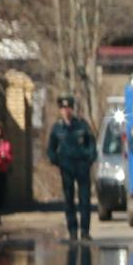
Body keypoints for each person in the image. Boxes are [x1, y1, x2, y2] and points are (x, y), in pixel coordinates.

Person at [47, 96, 98, 240]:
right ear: (60, 110)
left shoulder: (82, 125)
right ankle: (73, 230)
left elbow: (91, 144)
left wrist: (89, 158)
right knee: (69, 200)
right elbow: (51, 149)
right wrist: (57, 161)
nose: (66, 111)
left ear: (72, 109)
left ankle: (85, 231)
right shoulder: (57, 128)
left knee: (84, 200)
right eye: (63, 109)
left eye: (68, 108)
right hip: (66, 168)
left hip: (82, 166)